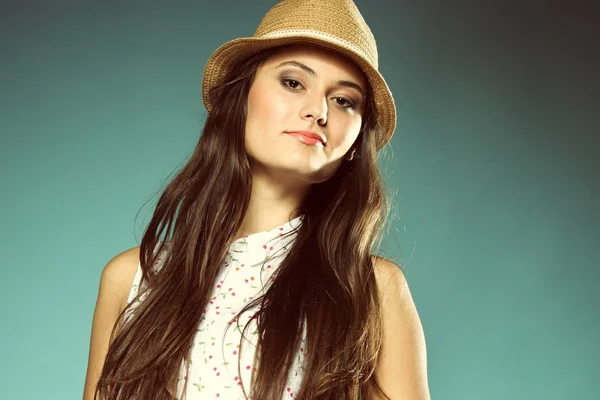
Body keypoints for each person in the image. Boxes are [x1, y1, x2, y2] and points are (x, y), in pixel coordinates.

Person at [82, 0, 430, 399]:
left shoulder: (371, 289)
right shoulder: (133, 279)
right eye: (294, 82)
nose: (318, 111)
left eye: (344, 101)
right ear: (241, 98)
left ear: (355, 145)